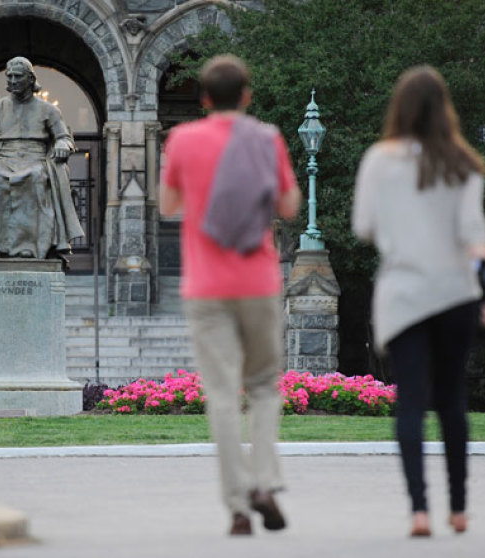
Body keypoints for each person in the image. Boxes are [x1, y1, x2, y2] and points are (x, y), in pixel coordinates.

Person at [352, 65, 485, 537]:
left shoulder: (380, 160)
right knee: (452, 400)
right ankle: (458, 508)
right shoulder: (462, 162)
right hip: (454, 292)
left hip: (404, 293)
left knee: (411, 401)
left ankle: (419, 510)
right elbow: (474, 234)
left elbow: (364, 227)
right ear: (443, 107)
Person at [160, 54, 301, 536]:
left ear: (203, 99)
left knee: (221, 395)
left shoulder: (182, 139)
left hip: (205, 286)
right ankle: (264, 481)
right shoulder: (267, 139)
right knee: (263, 387)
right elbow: (288, 205)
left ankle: (238, 508)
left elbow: (168, 203)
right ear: (247, 96)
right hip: (258, 282)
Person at [0, 56, 83, 259]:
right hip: (0, 157)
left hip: (35, 158)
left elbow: (64, 138)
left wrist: (63, 145)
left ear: (30, 79)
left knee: (34, 178)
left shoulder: (49, 110)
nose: (12, 81)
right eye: (9, 76)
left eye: (18, 76)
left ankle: (28, 247)